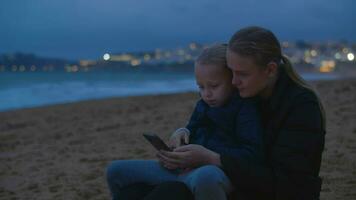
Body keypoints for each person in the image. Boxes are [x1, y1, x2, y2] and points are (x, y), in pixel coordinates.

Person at [154, 26, 326, 200]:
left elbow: (288, 183)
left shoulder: (301, 105)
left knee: (175, 191)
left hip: (277, 192)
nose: (234, 81)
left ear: (270, 70)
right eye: (231, 72)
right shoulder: (249, 95)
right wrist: (184, 138)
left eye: (242, 74)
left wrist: (213, 159)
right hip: (241, 185)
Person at [106, 44, 264, 200]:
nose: (207, 94)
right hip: (182, 170)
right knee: (116, 170)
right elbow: (193, 130)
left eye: (214, 86)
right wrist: (180, 140)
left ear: (233, 80)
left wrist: (206, 157)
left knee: (206, 176)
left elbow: (250, 156)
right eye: (200, 87)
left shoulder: (245, 108)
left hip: (214, 173)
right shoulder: (203, 105)